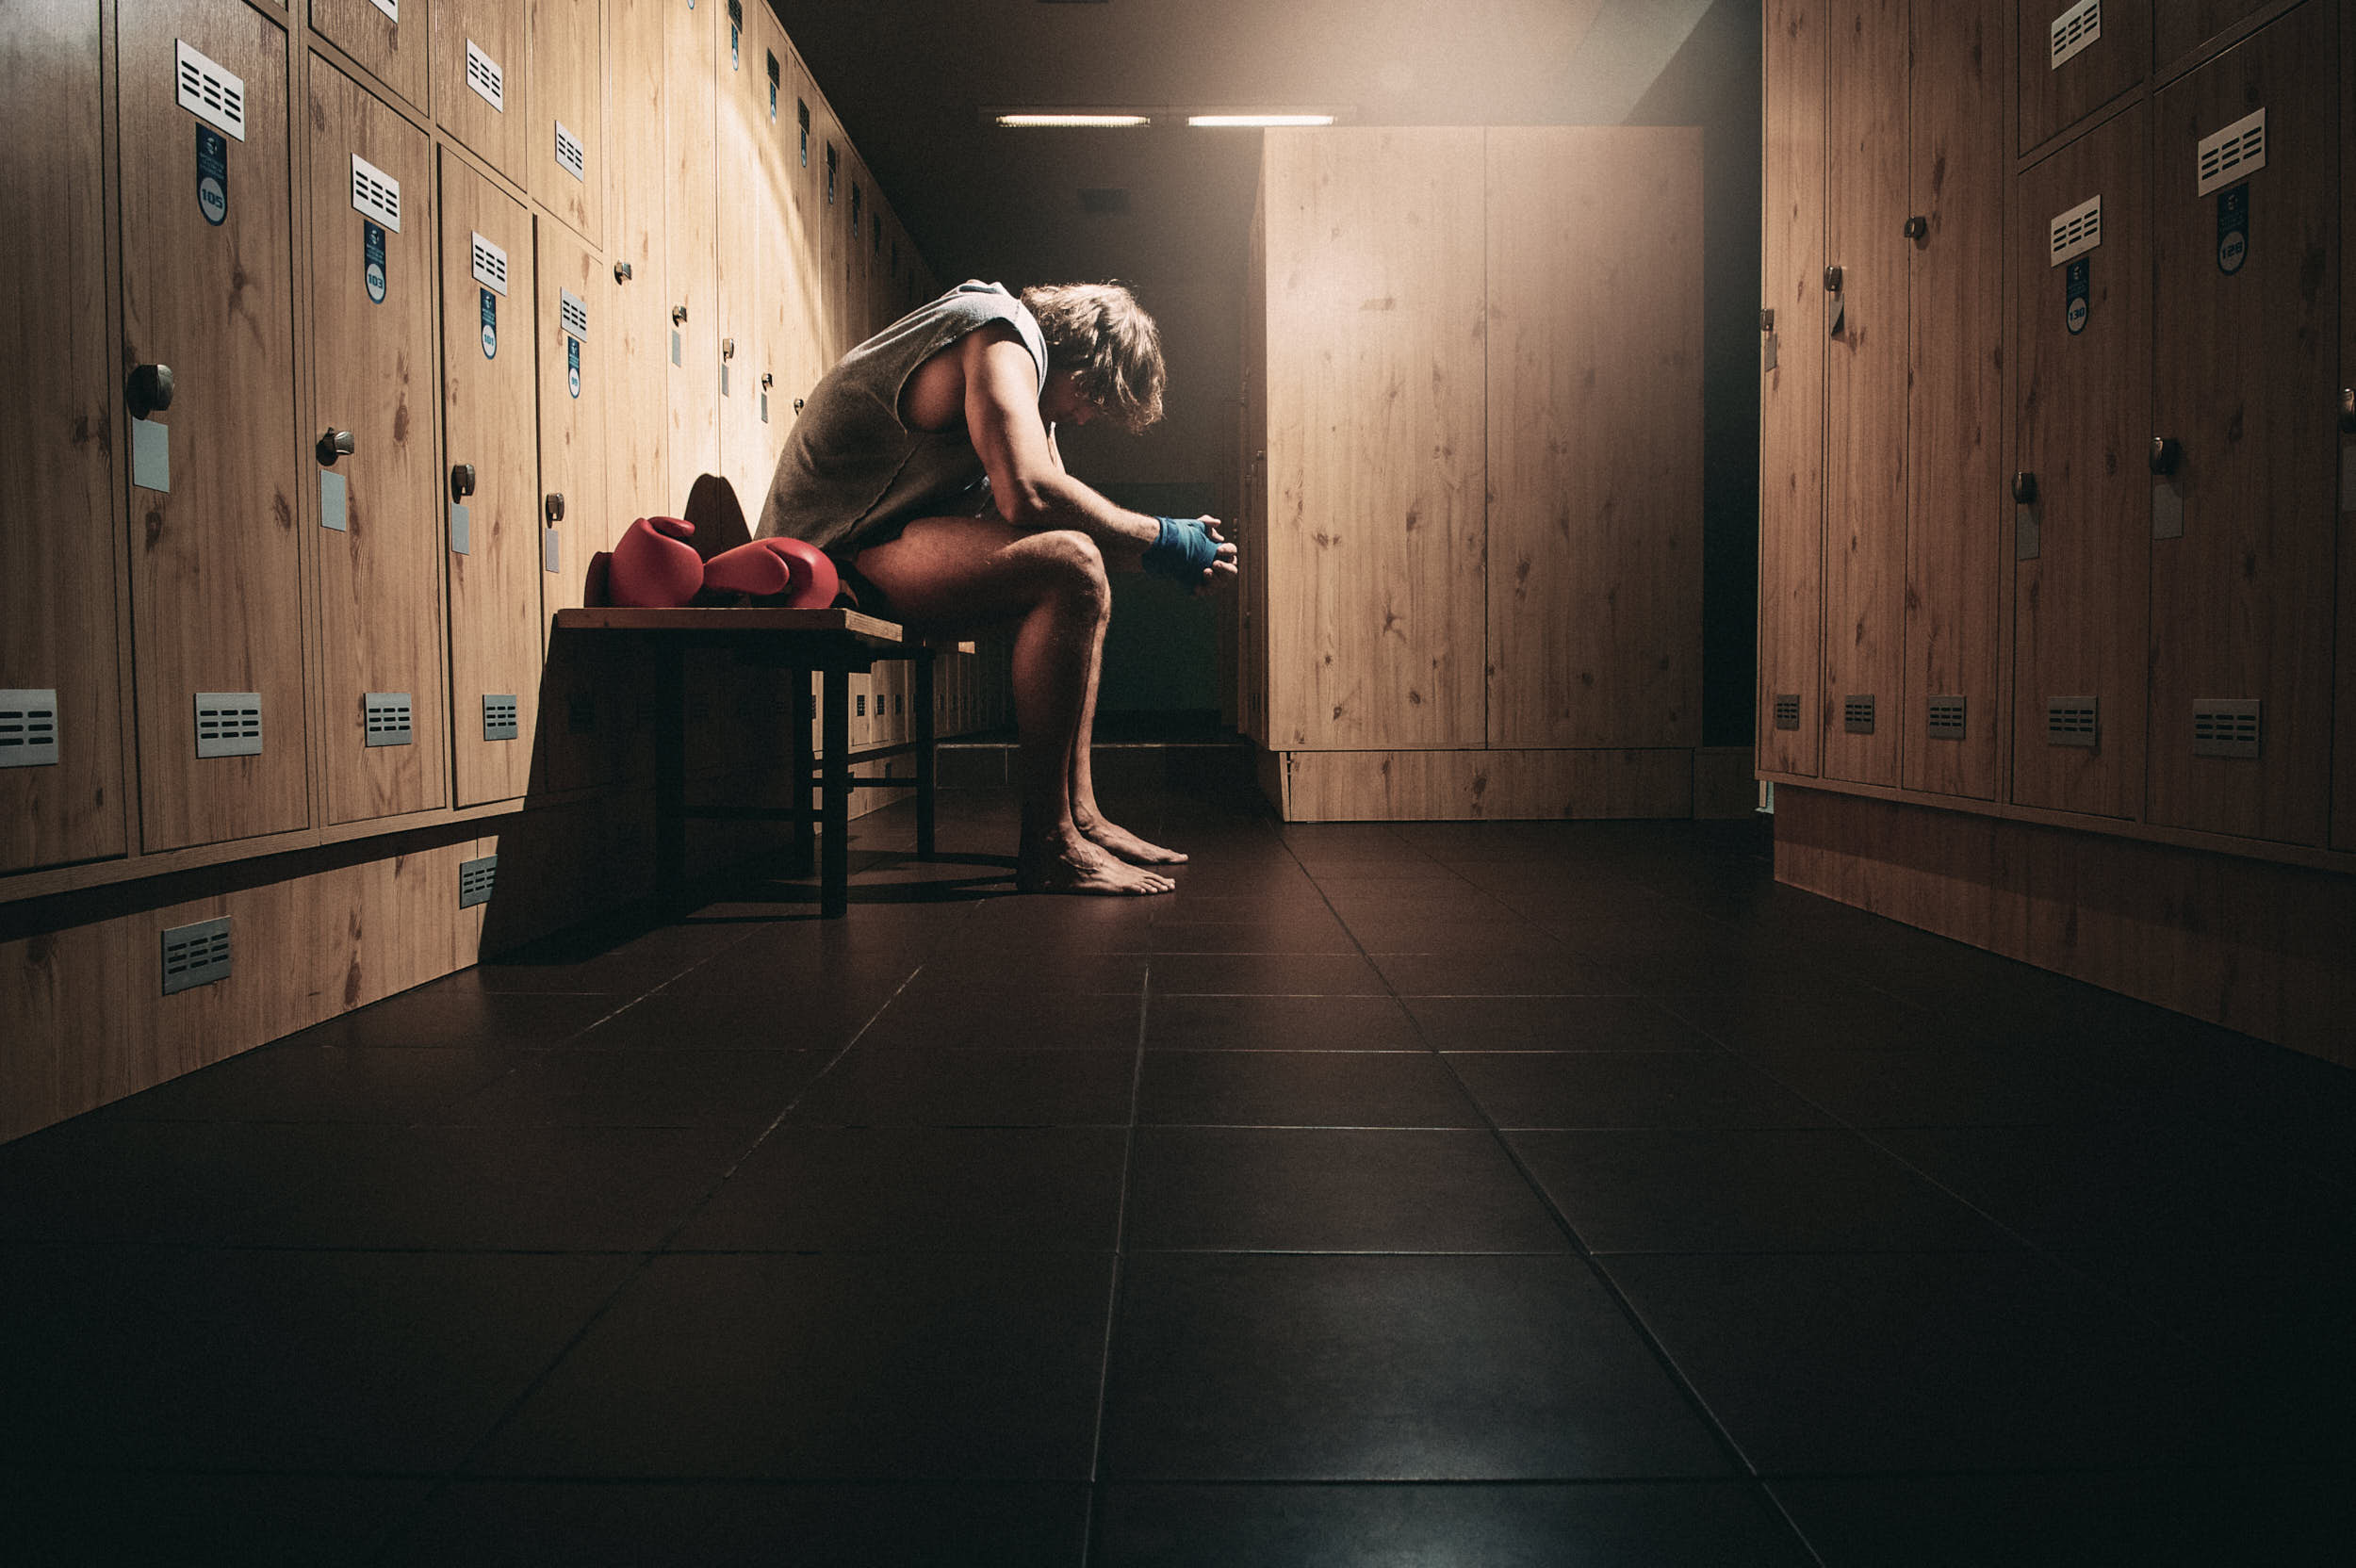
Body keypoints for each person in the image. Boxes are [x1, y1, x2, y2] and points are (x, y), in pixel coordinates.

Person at [757, 280, 1236, 895]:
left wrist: (1172, 557)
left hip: (877, 545)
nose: (1087, 415)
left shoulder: (1034, 392)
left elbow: (1059, 520)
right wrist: (1165, 537)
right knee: (1073, 569)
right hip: (820, 559)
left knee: (1082, 578)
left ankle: (1080, 815)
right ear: (1081, 354)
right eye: (1093, 395)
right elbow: (1028, 494)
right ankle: (1050, 843)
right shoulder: (999, 331)